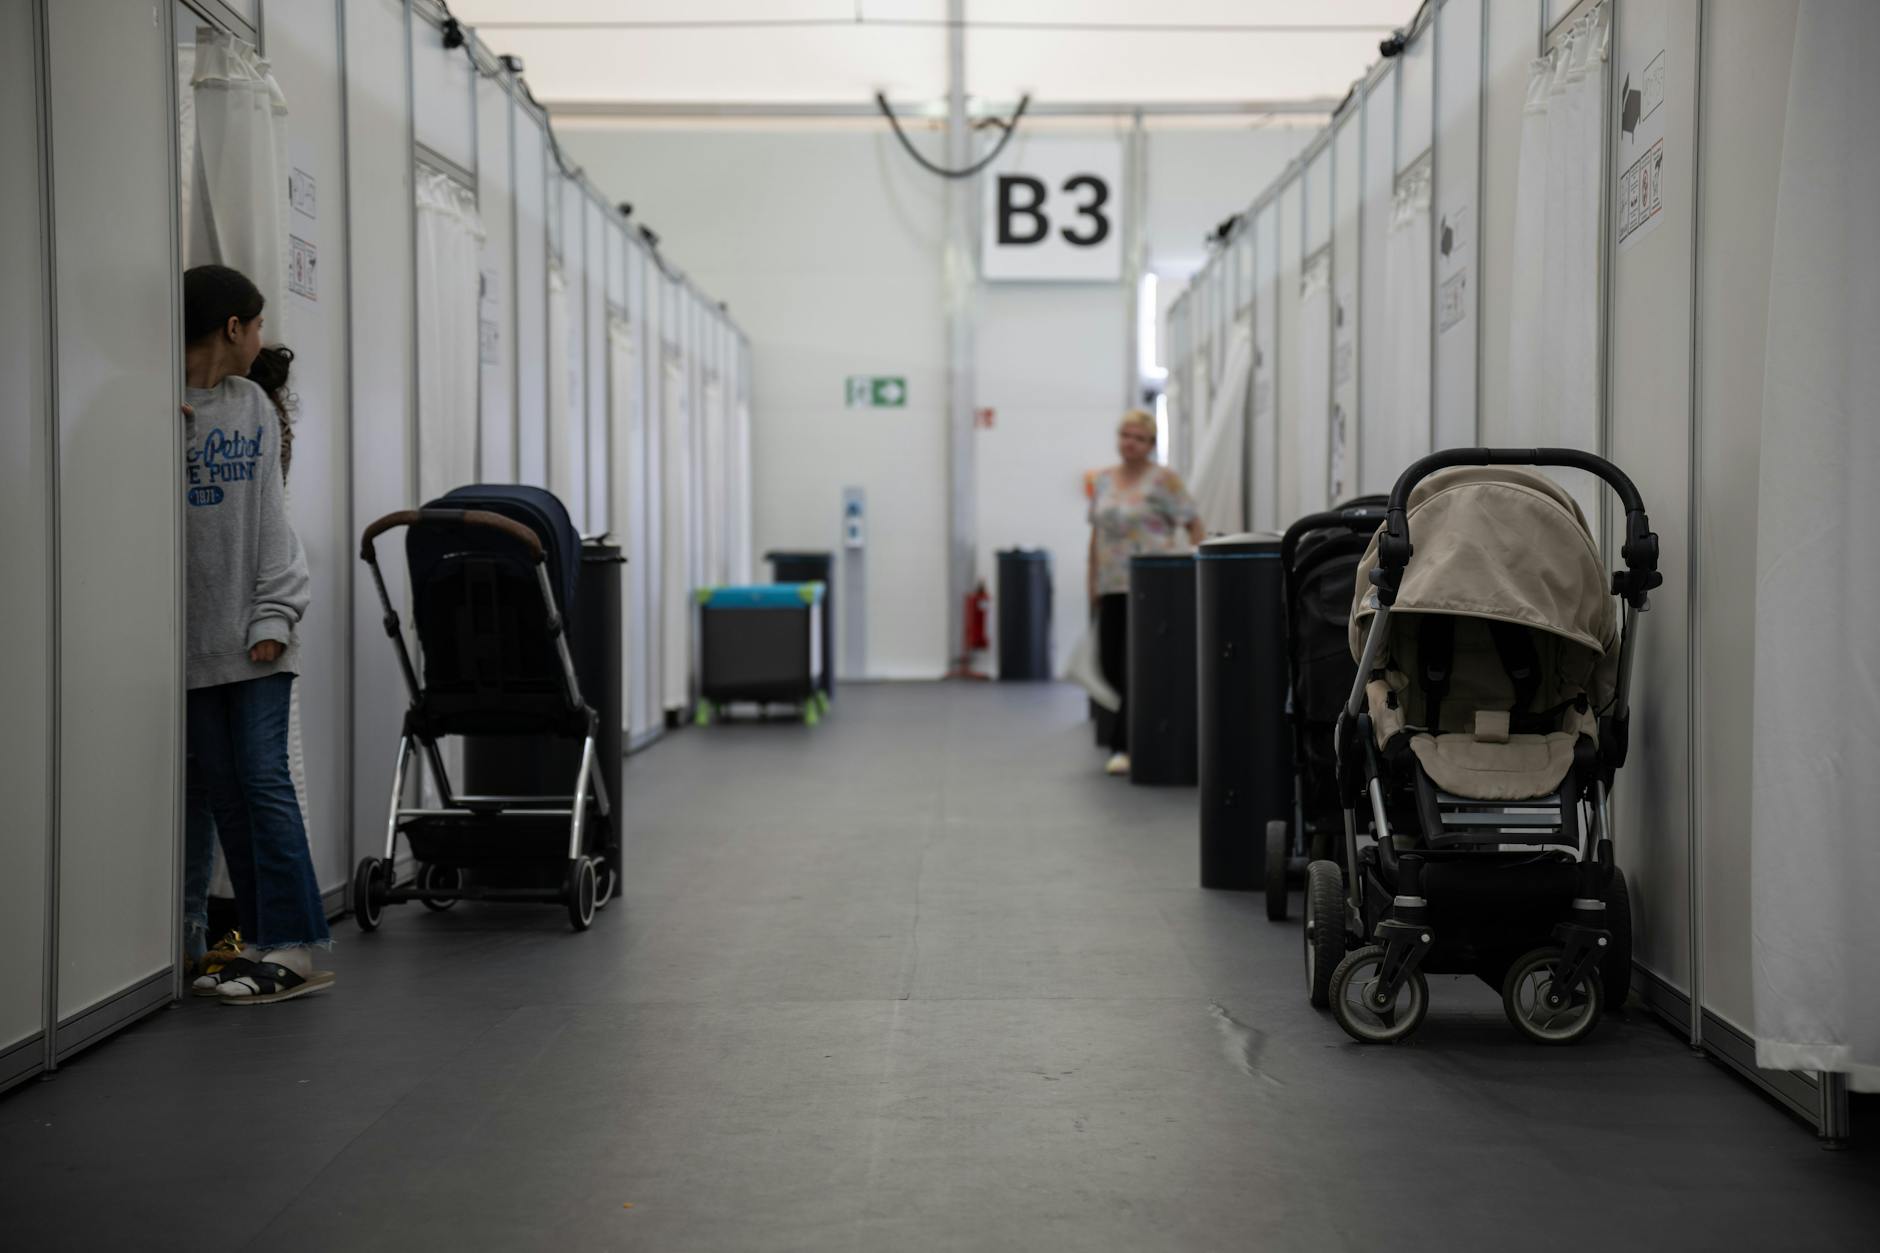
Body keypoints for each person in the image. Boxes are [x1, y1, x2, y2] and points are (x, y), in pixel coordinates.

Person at [181, 264, 332, 1004]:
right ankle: (258, 942)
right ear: (232, 327)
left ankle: (297, 946)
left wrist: (274, 614)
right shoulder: (159, 408)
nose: (264, 338)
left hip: (258, 635)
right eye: (259, 322)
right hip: (189, 648)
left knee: (265, 782)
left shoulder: (253, 408)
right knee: (227, 793)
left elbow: (273, 526)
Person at [1087, 409, 1204, 776]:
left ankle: (1125, 744)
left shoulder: (1164, 480)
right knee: (1110, 664)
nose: (1130, 443)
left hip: (1155, 586)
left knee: (1138, 664)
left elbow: (1193, 524)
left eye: (1139, 438)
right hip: (1113, 583)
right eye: (1125, 435)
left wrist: (1195, 571)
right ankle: (1132, 734)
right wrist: (1092, 582)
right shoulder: (1103, 480)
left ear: (1151, 445)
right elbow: (1096, 536)